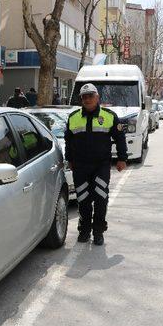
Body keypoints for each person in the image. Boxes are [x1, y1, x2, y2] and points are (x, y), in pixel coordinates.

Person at [64, 83, 127, 245]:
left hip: (101, 166)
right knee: (83, 199)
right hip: (80, 167)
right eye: (84, 97)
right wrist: (69, 159)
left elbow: (120, 138)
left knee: (100, 198)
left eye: (90, 96)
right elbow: (68, 141)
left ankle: (98, 231)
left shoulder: (109, 116)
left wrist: (122, 158)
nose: (87, 99)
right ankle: (84, 229)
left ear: (97, 97)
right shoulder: (73, 117)